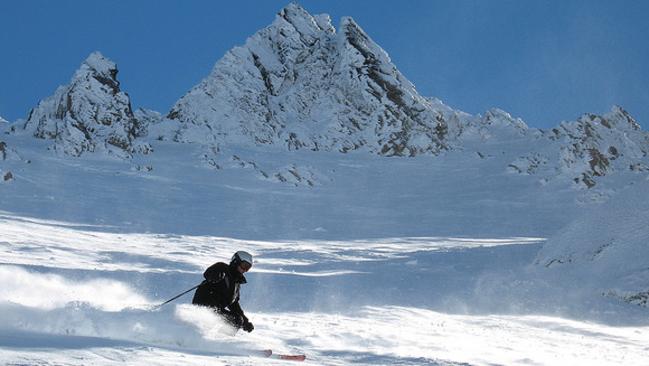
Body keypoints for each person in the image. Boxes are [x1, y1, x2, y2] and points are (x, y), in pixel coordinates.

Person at [192, 251, 255, 333]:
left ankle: (218, 340)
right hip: (204, 306)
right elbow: (208, 273)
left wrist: (245, 322)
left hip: (216, 309)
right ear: (236, 261)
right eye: (244, 266)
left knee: (237, 319)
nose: (245, 270)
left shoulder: (236, 283)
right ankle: (220, 340)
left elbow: (233, 304)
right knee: (236, 320)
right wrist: (215, 276)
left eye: (248, 268)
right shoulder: (222, 268)